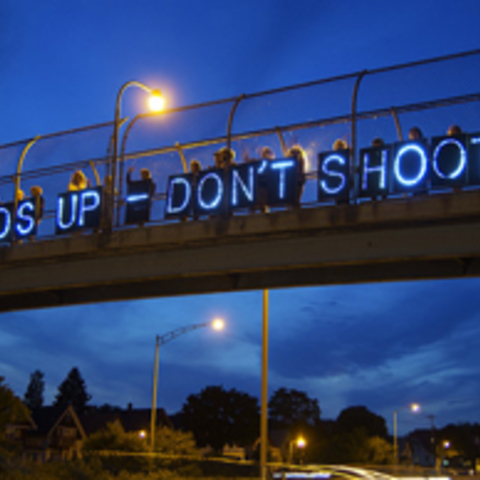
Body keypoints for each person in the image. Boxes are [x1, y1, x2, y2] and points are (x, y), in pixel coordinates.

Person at [257, 146, 275, 213]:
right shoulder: (264, 163)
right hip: (264, 185)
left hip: (267, 185)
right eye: (267, 153)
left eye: (269, 153)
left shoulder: (263, 163)